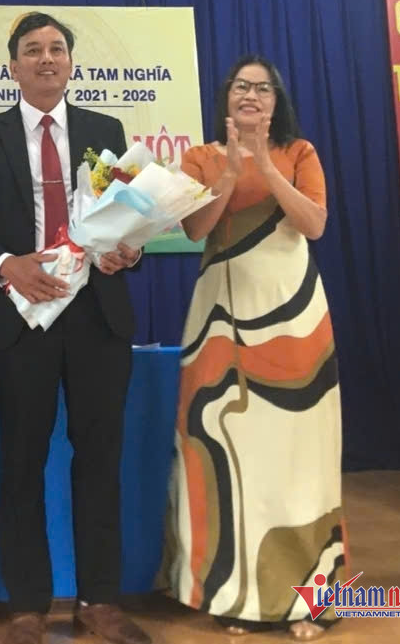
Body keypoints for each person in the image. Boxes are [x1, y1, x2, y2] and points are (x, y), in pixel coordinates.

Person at [0, 12, 151, 644]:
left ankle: (99, 601)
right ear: (12, 66)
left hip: (97, 315)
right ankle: (27, 607)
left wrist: (128, 251)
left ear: (70, 63)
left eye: (56, 49)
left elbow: (125, 219)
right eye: (32, 50)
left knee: (99, 460)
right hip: (22, 316)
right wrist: (9, 267)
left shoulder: (105, 130)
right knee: (21, 463)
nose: (45, 59)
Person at [164, 55, 345, 641]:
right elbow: (194, 229)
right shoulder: (200, 156)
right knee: (222, 451)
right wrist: (228, 171)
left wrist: (265, 164)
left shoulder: (300, 153)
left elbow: (313, 224)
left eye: (262, 88)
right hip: (218, 318)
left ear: (276, 101)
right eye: (242, 86)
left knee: (297, 459)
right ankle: (231, 592)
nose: (251, 95)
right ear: (226, 96)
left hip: (294, 322)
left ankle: (307, 598)